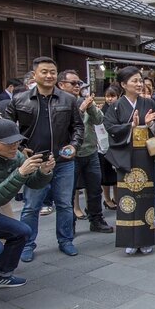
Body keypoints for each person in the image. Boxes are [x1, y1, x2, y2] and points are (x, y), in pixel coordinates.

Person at [5, 56, 84, 262]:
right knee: (31, 206)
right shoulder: (19, 99)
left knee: (65, 204)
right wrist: (21, 149)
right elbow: (7, 128)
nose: (49, 75)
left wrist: (74, 145)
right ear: (35, 75)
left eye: (52, 72)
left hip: (63, 161)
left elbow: (78, 127)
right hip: (34, 161)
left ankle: (66, 240)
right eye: (44, 72)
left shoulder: (68, 99)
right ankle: (27, 244)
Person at [0, 119, 54, 289]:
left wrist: (44, 171)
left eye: (17, 142)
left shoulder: (14, 155)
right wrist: (20, 173)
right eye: (9, 143)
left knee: (22, 231)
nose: (15, 146)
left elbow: (34, 183)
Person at [102, 66, 155, 255]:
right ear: (123, 84)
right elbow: (109, 127)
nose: (138, 83)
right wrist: (130, 126)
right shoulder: (116, 106)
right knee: (126, 198)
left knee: (145, 197)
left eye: (140, 80)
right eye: (134, 80)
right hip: (126, 155)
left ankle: (145, 239)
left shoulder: (149, 102)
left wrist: (149, 124)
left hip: (145, 155)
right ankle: (129, 239)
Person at [57, 70, 113, 234]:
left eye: (79, 83)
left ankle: (96, 220)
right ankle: (69, 226)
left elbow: (98, 120)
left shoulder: (83, 100)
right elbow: (63, 126)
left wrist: (91, 107)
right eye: (73, 83)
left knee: (95, 189)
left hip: (90, 151)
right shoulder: (59, 103)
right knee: (68, 192)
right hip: (69, 155)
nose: (77, 86)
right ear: (61, 85)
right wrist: (81, 109)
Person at [100, 86, 119, 211]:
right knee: (105, 176)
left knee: (116, 176)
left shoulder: (119, 108)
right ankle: (106, 199)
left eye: (112, 96)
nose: (110, 99)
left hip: (116, 145)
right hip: (103, 146)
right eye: (108, 96)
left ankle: (116, 198)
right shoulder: (102, 110)